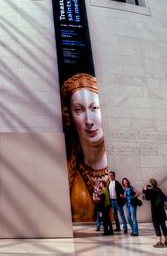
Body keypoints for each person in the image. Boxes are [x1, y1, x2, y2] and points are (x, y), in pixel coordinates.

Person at [61, 73, 109, 221]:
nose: (89, 121)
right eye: (79, 110)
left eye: (95, 108)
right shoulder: (68, 170)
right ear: (70, 116)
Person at [144, 178, 167, 247]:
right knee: (163, 226)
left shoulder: (151, 191)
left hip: (155, 211)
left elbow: (147, 198)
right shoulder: (159, 190)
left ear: (151, 184)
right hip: (161, 210)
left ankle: (159, 242)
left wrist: (145, 190)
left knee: (156, 226)